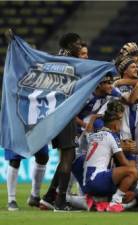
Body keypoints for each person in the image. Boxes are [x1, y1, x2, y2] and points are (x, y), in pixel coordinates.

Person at [40, 33, 84, 211]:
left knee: (67, 156)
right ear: (70, 44)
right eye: (78, 44)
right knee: (68, 156)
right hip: (65, 113)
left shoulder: (53, 61)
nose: (80, 46)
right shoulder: (69, 63)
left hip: (52, 114)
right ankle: (60, 202)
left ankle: (50, 196)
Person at [82, 101, 137, 212]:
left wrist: (92, 119)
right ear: (115, 124)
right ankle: (115, 202)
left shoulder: (93, 135)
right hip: (97, 180)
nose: (121, 125)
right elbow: (125, 163)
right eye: (120, 122)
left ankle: (95, 200)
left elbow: (87, 132)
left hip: (86, 183)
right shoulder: (112, 136)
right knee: (132, 171)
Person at [5, 146, 48, 211]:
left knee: (43, 157)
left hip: (37, 135)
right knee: (15, 159)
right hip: (17, 136)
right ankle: (11, 200)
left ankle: (35, 196)